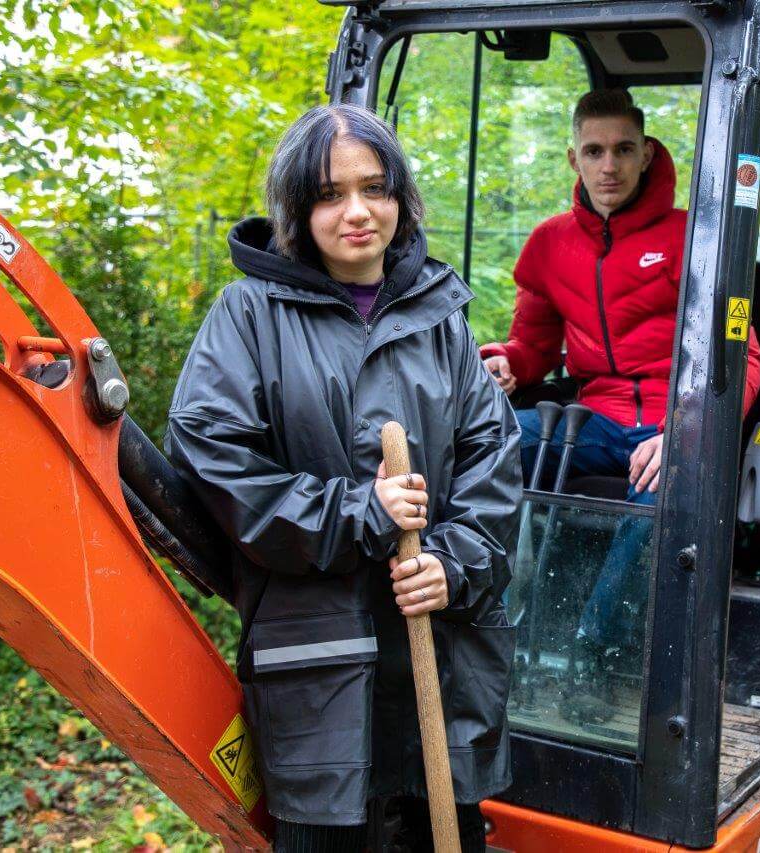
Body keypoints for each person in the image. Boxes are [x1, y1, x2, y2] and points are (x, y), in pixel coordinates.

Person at [166, 104, 522, 852]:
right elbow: (211, 452)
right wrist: (359, 511)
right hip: (320, 666)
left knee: (443, 830)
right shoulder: (249, 315)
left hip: (442, 663)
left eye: (376, 188)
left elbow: (493, 455)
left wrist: (451, 564)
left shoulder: (440, 315)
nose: (358, 212)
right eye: (330, 194)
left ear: (400, 196)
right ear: (298, 208)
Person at [481, 89, 760, 693]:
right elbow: (531, 345)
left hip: (675, 420)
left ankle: (593, 650)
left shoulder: (701, 239)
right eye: (594, 150)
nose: (609, 165)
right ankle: (487, 625)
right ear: (573, 159)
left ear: (645, 153)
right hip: (597, 422)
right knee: (490, 444)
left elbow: (745, 359)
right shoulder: (550, 244)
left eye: (623, 150)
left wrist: (685, 433)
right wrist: (507, 364)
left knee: (659, 495)